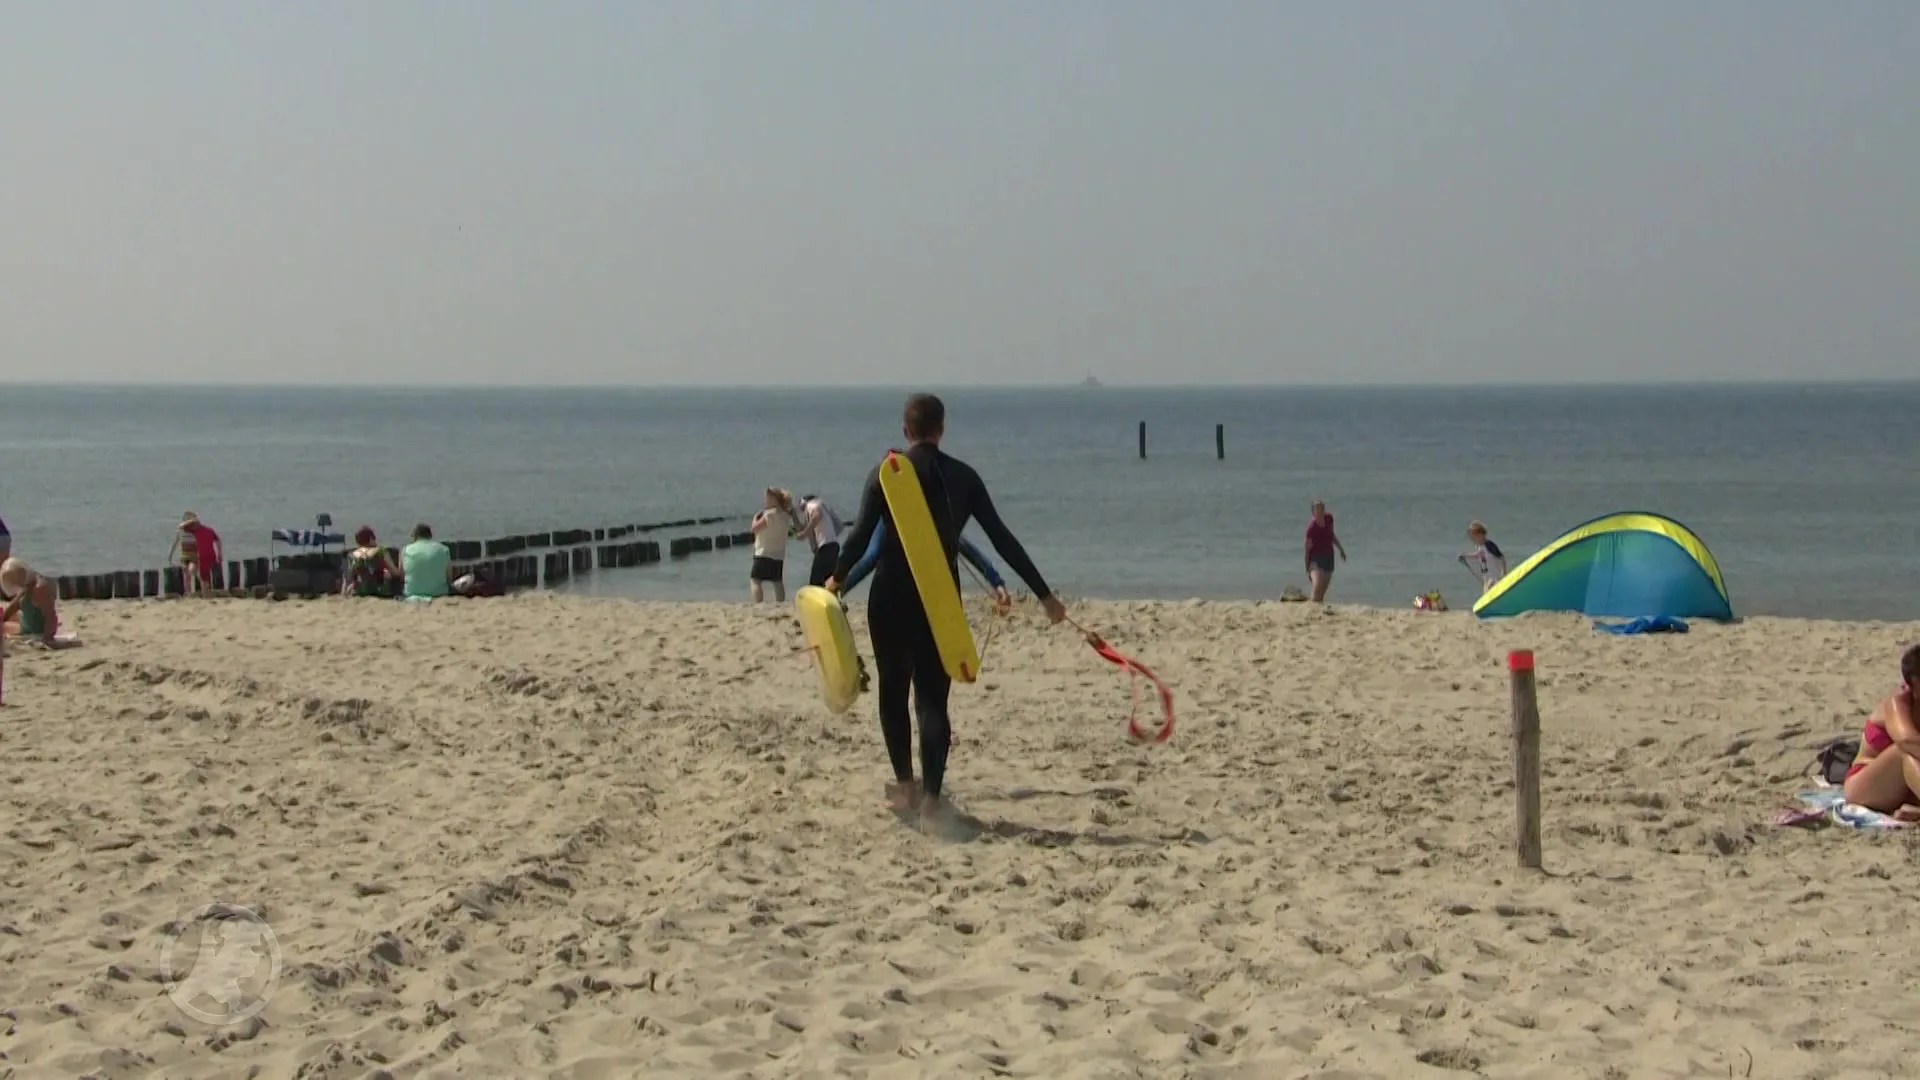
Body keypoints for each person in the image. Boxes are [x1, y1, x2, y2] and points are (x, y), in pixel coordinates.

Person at [825, 393, 1066, 822]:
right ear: (942, 429)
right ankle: (933, 798)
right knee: (933, 701)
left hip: (890, 598)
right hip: (939, 605)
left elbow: (859, 536)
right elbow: (1002, 539)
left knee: (892, 692)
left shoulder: (885, 475)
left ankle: (905, 786)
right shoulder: (965, 478)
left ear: (906, 430)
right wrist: (1045, 596)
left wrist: (836, 579)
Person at [840, 520, 1013, 613]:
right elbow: (871, 557)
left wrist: (997, 583)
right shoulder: (886, 514)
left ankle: (837, 590)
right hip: (896, 591)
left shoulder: (930, 512)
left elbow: (964, 547)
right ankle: (837, 591)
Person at [1840, 645, 1920, 818]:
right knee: (1902, 751)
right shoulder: (1898, 702)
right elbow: (1907, 741)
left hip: (1906, 786)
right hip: (1866, 786)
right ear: (1915, 682)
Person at [1, 552, 61, 645]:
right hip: (29, 621)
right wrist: (2, 617)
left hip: (35, 629)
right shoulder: (28, 584)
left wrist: (48, 637)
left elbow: (50, 615)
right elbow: (14, 606)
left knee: (4, 626)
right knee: (7, 617)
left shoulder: (39, 588)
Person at [749, 488, 797, 603]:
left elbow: (755, 528)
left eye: (768, 498)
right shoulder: (786, 516)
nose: (767, 500)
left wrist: (755, 518)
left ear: (774, 499)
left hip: (763, 552)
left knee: (755, 580)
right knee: (777, 581)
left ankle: (758, 603)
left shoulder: (769, 514)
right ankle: (780, 603)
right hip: (778, 554)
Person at [796, 494, 844, 588]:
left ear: (803, 502)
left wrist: (804, 534)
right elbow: (840, 527)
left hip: (825, 547)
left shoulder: (811, 505)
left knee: (815, 581)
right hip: (833, 545)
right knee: (829, 580)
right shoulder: (824, 506)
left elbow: (817, 515)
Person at [170, 512, 223, 596]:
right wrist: (171, 554)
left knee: (192, 570)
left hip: (194, 555)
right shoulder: (181, 531)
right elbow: (176, 542)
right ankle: (188, 593)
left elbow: (214, 538)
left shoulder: (195, 530)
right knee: (187, 576)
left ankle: (205, 588)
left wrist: (219, 552)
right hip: (184, 556)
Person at [1304, 501, 1346, 602]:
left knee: (1322, 591)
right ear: (1313, 512)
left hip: (1329, 557)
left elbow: (1331, 535)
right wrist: (1307, 567)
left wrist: (1341, 549)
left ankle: (1317, 608)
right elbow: (1307, 549)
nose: (1320, 511)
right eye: (1317, 509)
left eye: (1321, 508)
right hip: (1315, 559)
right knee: (1317, 586)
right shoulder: (1311, 529)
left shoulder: (1329, 519)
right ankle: (1311, 608)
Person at [342, 526, 399, 597]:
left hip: (359, 591)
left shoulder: (352, 555)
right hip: (380, 591)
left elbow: (349, 577)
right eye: (374, 538)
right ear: (371, 539)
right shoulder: (381, 551)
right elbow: (395, 573)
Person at [400, 523, 452, 600]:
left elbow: (402, 576)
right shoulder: (444, 549)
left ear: (415, 536)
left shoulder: (405, 550)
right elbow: (449, 577)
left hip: (412, 594)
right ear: (430, 536)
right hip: (439, 593)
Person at [1459, 520, 1508, 594]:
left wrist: (1504, 571)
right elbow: (1478, 555)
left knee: (1490, 592)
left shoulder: (1489, 545)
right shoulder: (1479, 547)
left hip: (1495, 577)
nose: (1473, 540)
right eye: (1471, 538)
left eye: (1474, 538)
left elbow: (1501, 557)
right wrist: (1465, 556)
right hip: (1487, 577)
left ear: (1481, 535)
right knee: (1486, 593)